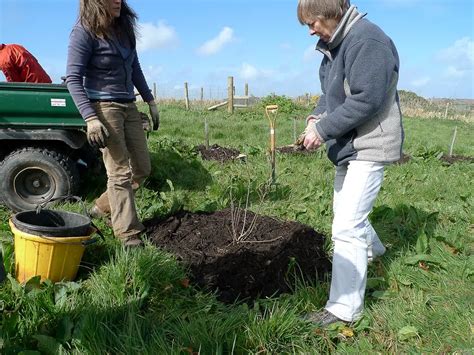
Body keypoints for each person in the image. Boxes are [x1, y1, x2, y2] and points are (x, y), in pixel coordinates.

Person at [296, 0, 404, 326]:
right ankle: (374, 251)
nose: (310, 29)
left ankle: (344, 310)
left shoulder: (367, 41)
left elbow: (365, 99)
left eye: (312, 21)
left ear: (331, 13)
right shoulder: (334, 46)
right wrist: (317, 117)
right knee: (346, 211)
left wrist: (323, 130)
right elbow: (330, 95)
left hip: (370, 144)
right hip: (349, 144)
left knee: (346, 226)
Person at [67, 0, 159, 247]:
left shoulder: (124, 27)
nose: (117, 0)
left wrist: (149, 100)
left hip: (129, 104)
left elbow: (135, 67)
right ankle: (128, 234)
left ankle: (101, 207)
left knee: (142, 168)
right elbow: (73, 79)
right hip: (104, 107)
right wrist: (90, 118)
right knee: (119, 171)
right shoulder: (84, 31)